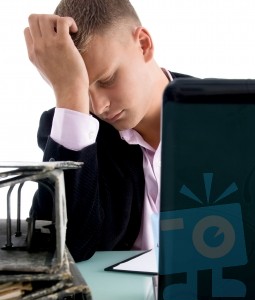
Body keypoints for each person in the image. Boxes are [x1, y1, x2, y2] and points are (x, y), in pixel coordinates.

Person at [24, 0, 191, 262]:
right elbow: (59, 250)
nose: (98, 106)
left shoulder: (231, 114)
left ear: (143, 44)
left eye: (107, 80)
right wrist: (70, 92)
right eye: (83, 90)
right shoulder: (70, 132)